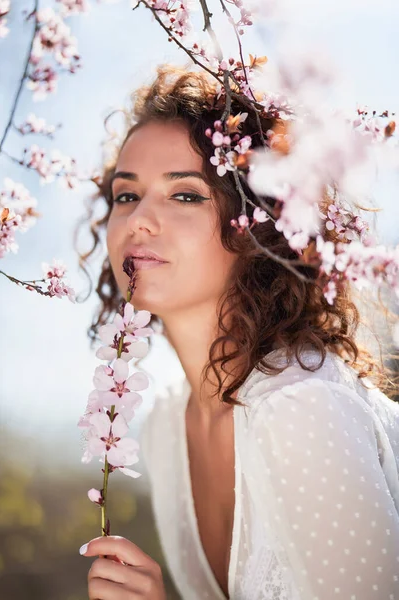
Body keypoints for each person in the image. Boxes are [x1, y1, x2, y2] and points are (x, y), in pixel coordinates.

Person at [76, 64, 399, 599]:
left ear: (256, 226)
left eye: (185, 195)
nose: (138, 220)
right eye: (126, 195)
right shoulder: (162, 430)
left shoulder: (302, 408)